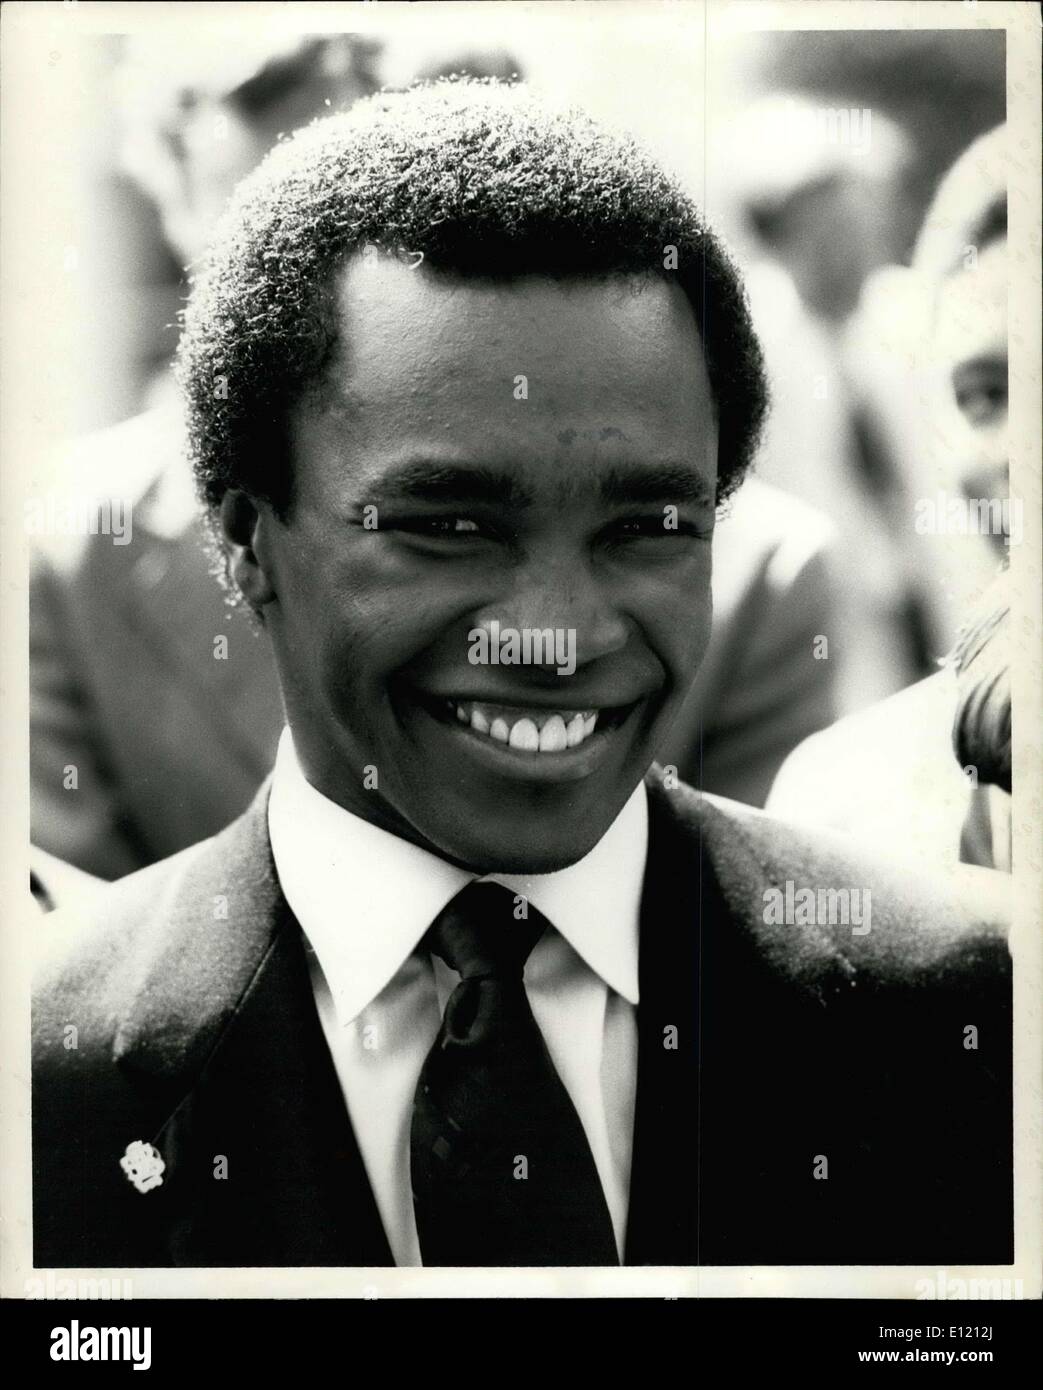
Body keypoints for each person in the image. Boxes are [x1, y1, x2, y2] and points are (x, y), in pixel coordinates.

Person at [33, 82, 1011, 1269]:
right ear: (246, 540)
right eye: (449, 528)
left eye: (646, 526)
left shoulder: (965, 1014)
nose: (556, 634)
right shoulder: (44, 1077)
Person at [30, 48, 840, 889]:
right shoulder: (65, 550)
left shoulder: (761, 571)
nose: (551, 633)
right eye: (446, 528)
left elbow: (755, 938)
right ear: (179, 184)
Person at [767, 127, 1013, 869]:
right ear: (789, 230)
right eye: (984, 395)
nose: (860, 238)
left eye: (866, 216)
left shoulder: (899, 317)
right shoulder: (748, 337)